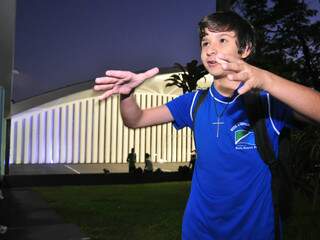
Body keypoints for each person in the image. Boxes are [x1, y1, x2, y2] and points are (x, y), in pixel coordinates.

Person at [94, 11, 320, 240]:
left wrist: (266, 79)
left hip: (255, 232)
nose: (210, 50)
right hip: (199, 231)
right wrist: (128, 94)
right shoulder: (194, 102)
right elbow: (136, 119)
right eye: (205, 42)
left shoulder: (268, 102)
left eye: (222, 40)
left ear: (245, 49)